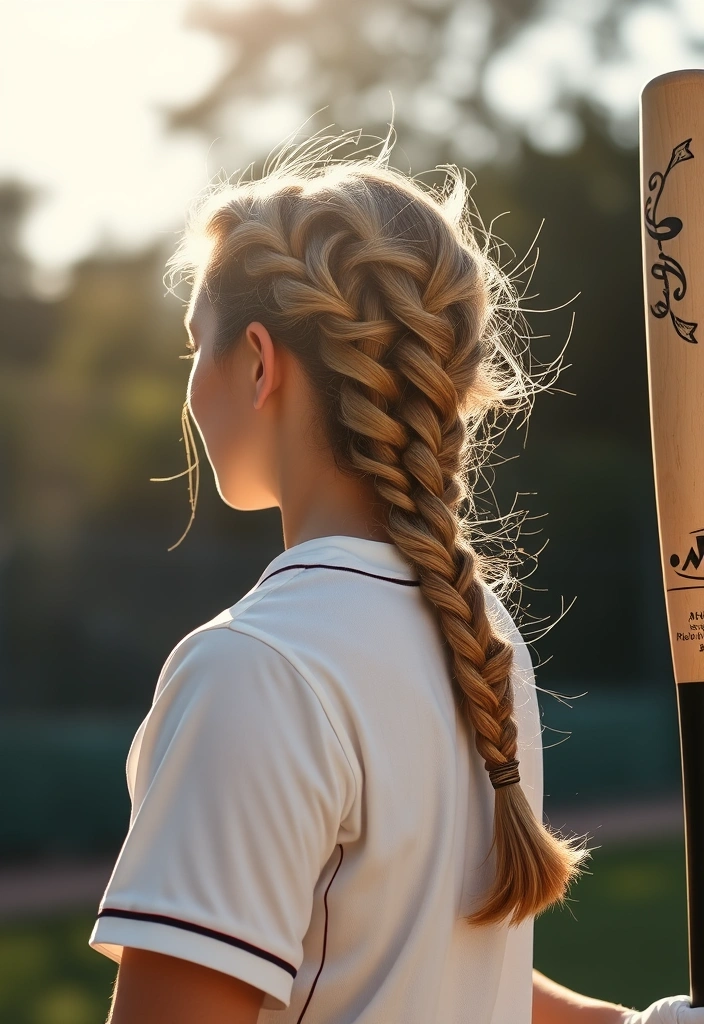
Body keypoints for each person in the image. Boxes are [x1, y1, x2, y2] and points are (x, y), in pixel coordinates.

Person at [88, 126, 703, 1024]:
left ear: (259, 362)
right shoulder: (481, 639)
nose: (189, 385)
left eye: (195, 346)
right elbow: (422, 958)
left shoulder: (253, 669)